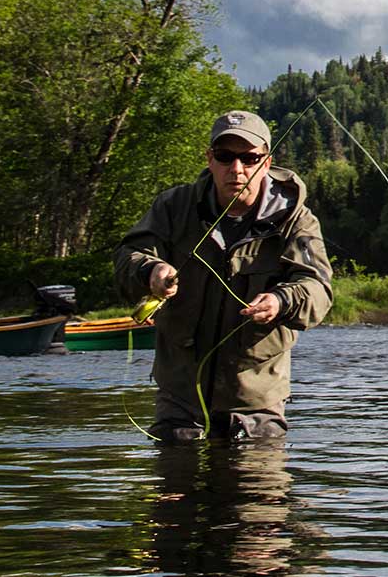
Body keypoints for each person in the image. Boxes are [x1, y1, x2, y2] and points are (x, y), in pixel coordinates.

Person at [115, 110, 333, 442]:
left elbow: (318, 289)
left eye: (249, 158)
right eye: (225, 157)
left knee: (256, 492)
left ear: (266, 161)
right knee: (173, 485)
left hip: (255, 401)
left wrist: (281, 300)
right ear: (209, 159)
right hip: (179, 399)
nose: (237, 169)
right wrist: (151, 271)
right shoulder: (174, 207)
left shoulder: (296, 220)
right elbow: (127, 257)